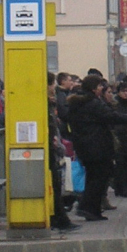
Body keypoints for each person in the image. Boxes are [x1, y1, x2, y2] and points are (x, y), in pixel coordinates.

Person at [65, 75, 127, 221]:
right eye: (99, 86)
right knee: (99, 178)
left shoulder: (78, 103)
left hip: (85, 146)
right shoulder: (93, 103)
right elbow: (112, 117)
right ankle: (87, 207)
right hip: (97, 146)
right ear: (94, 88)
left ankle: (92, 210)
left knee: (93, 177)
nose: (102, 88)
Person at [47, 72, 78, 232]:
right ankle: (59, 219)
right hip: (52, 148)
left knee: (57, 185)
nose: (53, 88)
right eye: (52, 85)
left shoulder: (51, 102)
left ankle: (60, 218)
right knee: (55, 185)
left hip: (55, 146)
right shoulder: (48, 103)